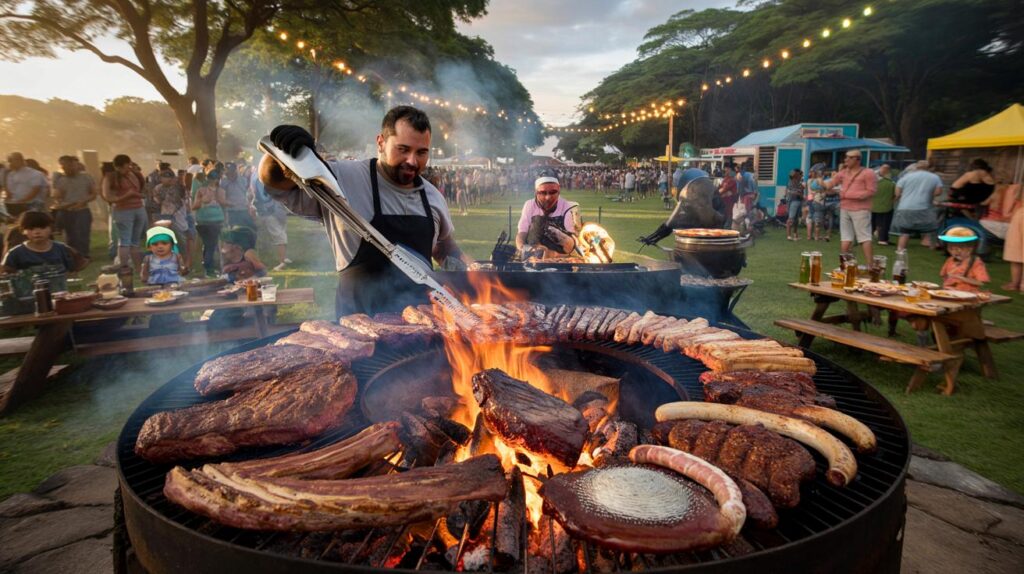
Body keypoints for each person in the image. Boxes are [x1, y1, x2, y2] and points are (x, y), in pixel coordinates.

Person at [260, 105, 471, 318]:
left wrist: (472, 274)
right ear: (380, 142)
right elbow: (273, 181)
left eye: (421, 152)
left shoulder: (433, 197)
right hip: (358, 326)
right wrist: (286, 153)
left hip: (419, 326)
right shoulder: (341, 179)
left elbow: (444, 246)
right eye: (403, 149)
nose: (412, 161)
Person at [822, 150, 876, 262]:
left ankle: (871, 266)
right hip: (845, 208)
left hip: (861, 209)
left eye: (849, 157)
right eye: (846, 157)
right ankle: (844, 265)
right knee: (845, 238)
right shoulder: (843, 172)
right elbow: (831, 183)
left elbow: (871, 191)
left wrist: (850, 195)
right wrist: (820, 183)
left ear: (857, 159)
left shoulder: (868, 173)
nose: (846, 159)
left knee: (864, 238)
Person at [1, 211, 89, 274]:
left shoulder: (62, 249)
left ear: (51, 229)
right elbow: (4, 272)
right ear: (23, 231)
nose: (37, 232)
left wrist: (70, 275)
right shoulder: (15, 253)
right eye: (31, 229)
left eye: (42, 228)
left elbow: (80, 264)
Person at [515, 174, 580, 258]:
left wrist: (553, 254)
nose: (548, 197)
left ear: (559, 191)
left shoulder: (567, 207)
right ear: (536, 192)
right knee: (537, 220)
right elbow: (522, 231)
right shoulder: (529, 205)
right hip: (534, 252)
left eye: (553, 192)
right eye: (543, 193)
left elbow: (572, 242)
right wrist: (523, 248)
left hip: (561, 255)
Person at [102, 154, 148, 270]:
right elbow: (108, 197)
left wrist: (134, 195)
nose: (125, 170)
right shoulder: (111, 177)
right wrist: (127, 195)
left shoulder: (134, 174)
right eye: (122, 167)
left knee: (132, 241)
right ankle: (125, 265)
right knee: (126, 240)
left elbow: (144, 190)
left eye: (126, 167)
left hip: (136, 209)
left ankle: (136, 267)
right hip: (124, 210)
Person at [2, 152, 49, 254]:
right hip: (15, 206)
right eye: (8, 161)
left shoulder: (34, 174)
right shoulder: (10, 175)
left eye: (11, 161)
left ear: (19, 160)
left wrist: (23, 201)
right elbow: (9, 192)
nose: (9, 164)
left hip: (32, 206)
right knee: (17, 231)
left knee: (33, 229)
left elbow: (35, 190)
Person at [248, 160, 291, 271]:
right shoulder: (262, 176)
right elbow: (263, 196)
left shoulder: (258, 176)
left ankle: (282, 261)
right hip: (273, 209)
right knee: (279, 234)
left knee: (279, 234)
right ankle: (280, 260)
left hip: (272, 210)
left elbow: (262, 196)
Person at [892, 160, 943, 252]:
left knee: (905, 232)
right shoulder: (934, 177)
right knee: (933, 228)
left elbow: (897, 193)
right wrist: (928, 196)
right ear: (929, 168)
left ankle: (900, 250)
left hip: (905, 207)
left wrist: (904, 196)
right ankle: (932, 247)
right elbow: (938, 192)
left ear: (916, 167)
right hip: (924, 207)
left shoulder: (906, 177)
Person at [51, 155, 96, 258]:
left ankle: (84, 255)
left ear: (74, 164)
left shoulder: (86, 177)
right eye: (62, 166)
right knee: (70, 236)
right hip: (67, 211)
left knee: (82, 235)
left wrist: (83, 201)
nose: (65, 169)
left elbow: (93, 193)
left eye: (67, 166)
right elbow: (57, 196)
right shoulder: (61, 180)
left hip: (82, 210)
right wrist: (55, 183)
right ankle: (72, 256)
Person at [151, 169, 192, 268]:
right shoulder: (158, 188)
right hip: (164, 217)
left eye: (169, 177)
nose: (167, 179)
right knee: (166, 241)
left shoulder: (178, 187)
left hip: (179, 217)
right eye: (164, 177)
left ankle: (185, 263)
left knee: (182, 241)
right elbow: (157, 201)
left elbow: (182, 200)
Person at [192, 168, 226, 277]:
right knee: (211, 245)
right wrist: (203, 200)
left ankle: (209, 267)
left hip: (207, 221)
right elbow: (194, 206)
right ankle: (209, 268)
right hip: (210, 221)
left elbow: (194, 206)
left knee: (208, 245)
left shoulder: (218, 191)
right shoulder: (203, 191)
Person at [937, 226, 988, 293]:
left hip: (967, 293)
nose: (955, 252)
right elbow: (944, 275)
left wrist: (961, 278)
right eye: (951, 249)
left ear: (970, 249)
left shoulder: (976, 262)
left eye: (960, 248)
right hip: (949, 291)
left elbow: (980, 282)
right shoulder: (950, 260)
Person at [220, 162, 255, 229]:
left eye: (232, 171)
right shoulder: (223, 182)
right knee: (234, 230)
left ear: (236, 171)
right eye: (228, 172)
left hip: (243, 210)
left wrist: (249, 205)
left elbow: (250, 194)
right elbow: (222, 198)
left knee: (245, 230)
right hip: (231, 211)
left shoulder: (243, 180)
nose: (230, 174)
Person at [872, 164, 895, 245]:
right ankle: (883, 239)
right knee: (884, 223)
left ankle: (867, 238)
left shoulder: (873, 183)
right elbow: (896, 194)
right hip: (886, 207)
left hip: (872, 206)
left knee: (871, 223)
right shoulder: (891, 183)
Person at [785, 169, 805, 241]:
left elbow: (801, 193)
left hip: (798, 201)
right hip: (793, 201)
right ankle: (788, 236)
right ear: (797, 175)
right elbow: (791, 192)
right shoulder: (792, 182)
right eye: (801, 175)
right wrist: (799, 194)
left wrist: (801, 193)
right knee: (791, 218)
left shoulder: (799, 183)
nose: (802, 176)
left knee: (796, 219)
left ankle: (795, 235)